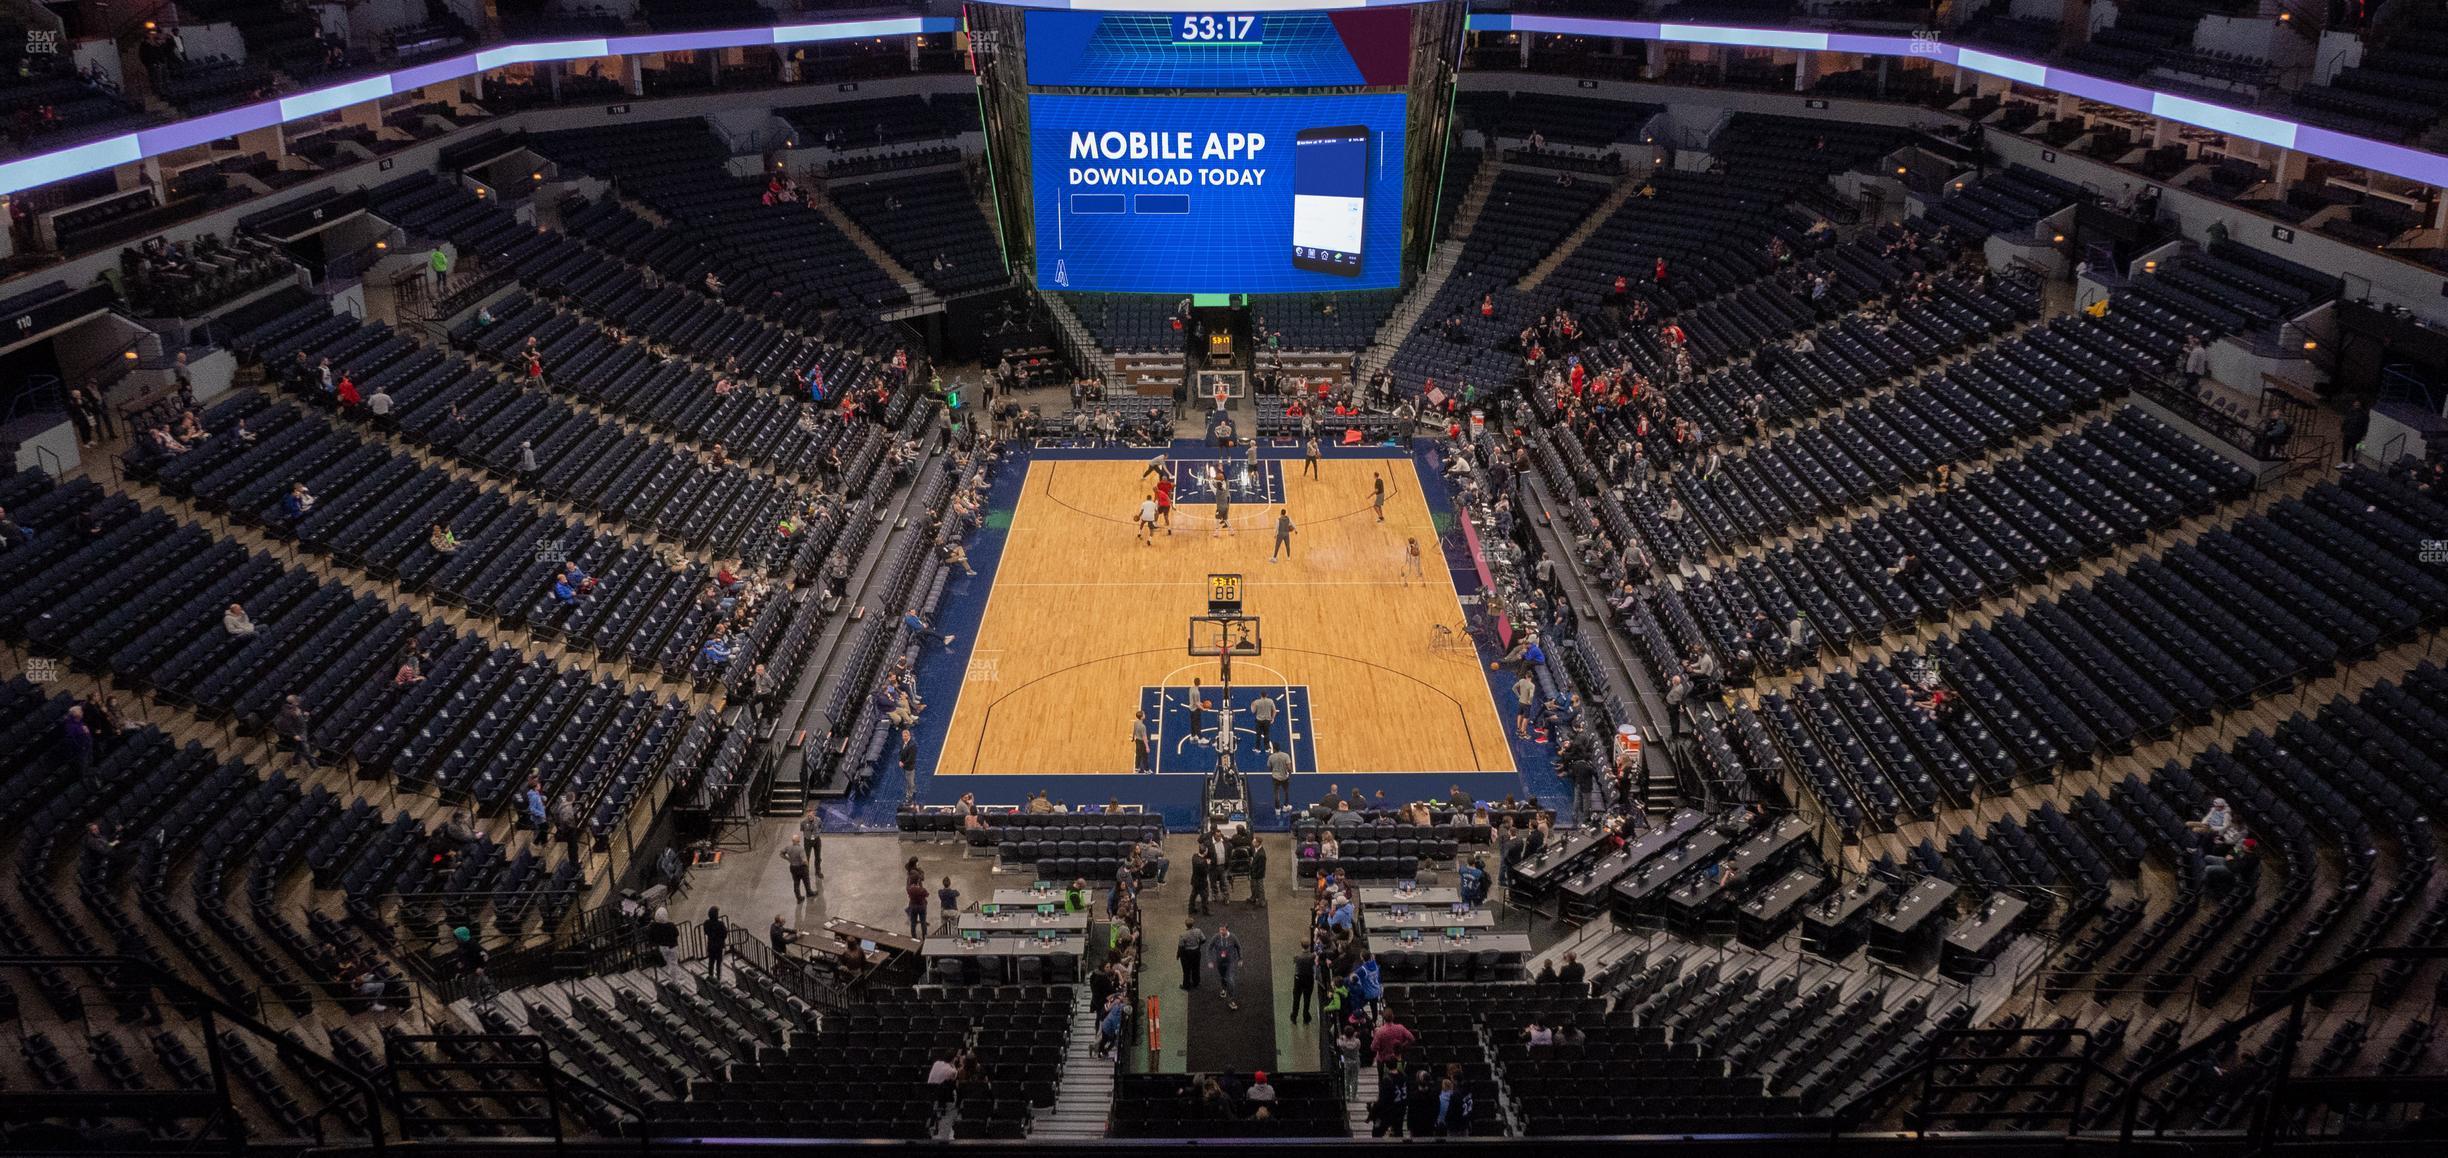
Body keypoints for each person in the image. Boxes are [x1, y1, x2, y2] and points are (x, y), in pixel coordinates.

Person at [1210, 922, 1243, 1010]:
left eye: (1223, 930)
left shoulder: (1233, 937)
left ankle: (1231, 1000)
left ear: (1227, 929)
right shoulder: (1216, 937)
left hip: (1230, 962)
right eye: (1220, 929)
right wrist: (1210, 960)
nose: (1221, 931)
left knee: (1230, 980)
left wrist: (1240, 959)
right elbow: (1209, 948)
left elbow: (1238, 947)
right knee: (1222, 977)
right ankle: (1223, 989)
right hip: (1220, 962)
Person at [274, 694, 313, 768]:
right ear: (292, 703)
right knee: (302, 743)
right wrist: (295, 735)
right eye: (296, 701)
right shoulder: (286, 712)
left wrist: (304, 715)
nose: (298, 702)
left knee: (301, 743)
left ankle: (296, 761)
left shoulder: (295, 708)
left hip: (296, 729)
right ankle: (298, 761)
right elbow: (288, 726)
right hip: (287, 731)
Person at [1176, 919, 1207, 990]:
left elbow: (1181, 946)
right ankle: (1196, 982)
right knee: (1196, 967)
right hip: (1196, 952)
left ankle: (1186, 985)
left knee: (1186, 970)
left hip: (1187, 954)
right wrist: (1198, 945)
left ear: (1186, 925)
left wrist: (1178, 955)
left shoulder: (1183, 934)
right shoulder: (1198, 931)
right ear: (1193, 924)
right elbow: (1204, 939)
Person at [702, 907, 729, 979]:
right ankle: (718, 978)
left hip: (711, 945)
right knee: (719, 964)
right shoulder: (720, 924)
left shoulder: (706, 923)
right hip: (719, 947)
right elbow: (725, 935)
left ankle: (711, 977)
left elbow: (706, 932)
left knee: (711, 962)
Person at [1267, 745, 1294, 811]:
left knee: (1277, 793)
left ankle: (1277, 809)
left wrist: (1274, 771)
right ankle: (1286, 806)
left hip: (1275, 778)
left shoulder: (1271, 757)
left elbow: (1269, 767)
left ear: (1274, 749)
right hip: (1284, 777)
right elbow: (1289, 768)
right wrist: (1289, 774)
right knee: (1286, 792)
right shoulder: (1286, 755)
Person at [799, 808, 823, 877]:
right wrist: (808, 835)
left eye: (811, 815)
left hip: (816, 840)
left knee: (818, 857)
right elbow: (802, 829)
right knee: (807, 857)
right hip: (807, 841)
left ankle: (818, 871)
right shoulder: (803, 822)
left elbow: (820, 827)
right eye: (808, 816)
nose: (810, 817)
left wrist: (816, 833)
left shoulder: (818, 820)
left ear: (814, 814)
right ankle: (806, 872)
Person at [1133, 708, 1154, 773]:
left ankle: (1137, 768)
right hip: (1142, 743)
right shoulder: (1143, 726)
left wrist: (1133, 737)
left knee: (1138, 755)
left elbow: (1134, 730)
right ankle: (1147, 770)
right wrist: (1147, 747)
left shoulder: (1136, 722)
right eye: (1144, 714)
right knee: (1145, 757)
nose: (1145, 714)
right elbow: (1144, 737)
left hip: (1137, 741)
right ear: (1142, 717)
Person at [1247, 840, 1268, 905]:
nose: (1252, 843)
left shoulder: (1261, 854)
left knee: (1260, 887)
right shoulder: (1256, 849)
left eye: (1254, 842)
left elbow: (1261, 867)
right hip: (1253, 871)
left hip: (1258, 874)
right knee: (1253, 886)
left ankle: (1262, 901)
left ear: (1258, 843)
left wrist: (1256, 875)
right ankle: (1253, 897)